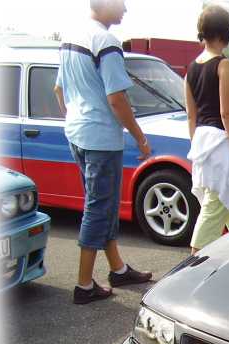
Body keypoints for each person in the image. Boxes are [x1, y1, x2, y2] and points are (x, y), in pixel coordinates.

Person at [53, 0, 153, 305]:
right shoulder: (106, 41)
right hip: (101, 138)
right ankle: (84, 285)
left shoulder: (71, 37)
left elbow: (59, 90)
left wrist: (76, 119)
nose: (125, 9)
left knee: (103, 205)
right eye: (121, 3)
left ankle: (118, 269)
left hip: (78, 133)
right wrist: (140, 138)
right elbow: (116, 99)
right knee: (98, 208)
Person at [185, 5, 229, 253]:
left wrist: (197, 150)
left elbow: (191, 115)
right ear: (226, 33)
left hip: (203, 142)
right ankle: (194, 262)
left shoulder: (191, 69)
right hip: (222, 144)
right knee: (215, 204)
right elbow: (227, 113)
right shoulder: (224, 66)